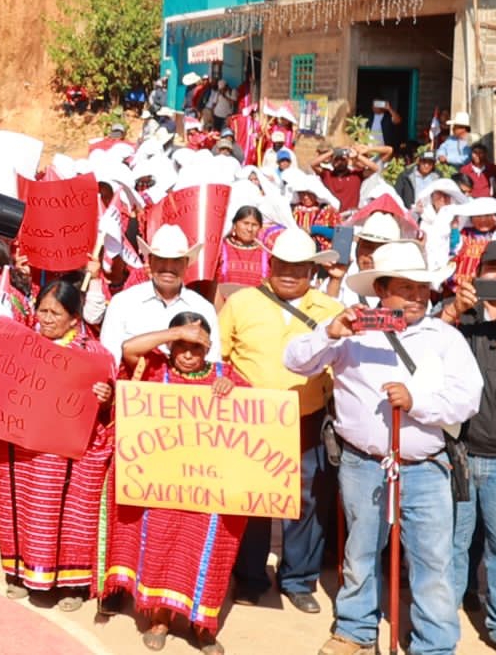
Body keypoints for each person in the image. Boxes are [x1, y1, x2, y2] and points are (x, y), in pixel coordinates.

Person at [284, 241, 483, 655]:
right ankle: (355, 631)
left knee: (433, 560)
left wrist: (417, 403)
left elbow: (467, 399)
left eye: (422, 288)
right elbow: (294, 360)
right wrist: (329, 332)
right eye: (405, 288)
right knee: (361, 550)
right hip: (363, 464)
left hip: (426, 466)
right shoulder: (352, 330)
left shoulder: (444, 337)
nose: (416, 296)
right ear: (381, 289)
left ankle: (435, 644)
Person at [104, 312, 245, 655]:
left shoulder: (227, 377)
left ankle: (203, 625)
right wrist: (175, 331)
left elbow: (257, 421)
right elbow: (128, 348)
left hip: (209, 490)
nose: (187, 353)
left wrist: (234, 394)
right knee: (162, 548)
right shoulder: (156, 371)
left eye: (196, 346)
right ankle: (161, 618)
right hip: (165, 488)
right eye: (180, 345)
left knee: (208, 556)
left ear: (209, 348)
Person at [0, 280, 113, 610]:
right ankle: (20, 574)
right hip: (23, 451)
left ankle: (70, 583)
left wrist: (104, 400)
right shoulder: (20, 344)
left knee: (68, 514)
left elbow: (109, 410)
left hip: (69, 459)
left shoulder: (94, 356)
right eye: (42, 311)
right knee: (21, 508)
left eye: (56, 313)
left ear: (75, 319)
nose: (46, 319)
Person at [220, 230, 342, 612]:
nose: (289, 273)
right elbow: (219, 355)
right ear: (269, 264)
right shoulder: (240, 303)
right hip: (251, 420)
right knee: (254, 497)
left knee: (306, 499)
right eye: (282, 265)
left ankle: (298, 579)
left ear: (312, 270)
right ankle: (251, 575)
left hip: (306, 418)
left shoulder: (330, 309)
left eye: (298, 267)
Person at [444, 239, 496, 648]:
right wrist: (454, 309)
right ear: (478, 275)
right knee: (452, 545)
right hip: (462, 453)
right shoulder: (462, 317)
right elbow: (421, 340)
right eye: (493, 271)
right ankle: (439, 624)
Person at [99, 225, 223, 365]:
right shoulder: (123, 303)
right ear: (150, 261)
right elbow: (109, 361)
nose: (168, 268)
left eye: (176, 261)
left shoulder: (203, 308)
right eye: (161, 259)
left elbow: (213, 365)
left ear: (186, 263)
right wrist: (177, 333)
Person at [216, 205, 269, 290]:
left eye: (254, 225)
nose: (249, 229)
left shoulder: (266, 253)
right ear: (235, 224)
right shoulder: (220, 249)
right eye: (245, 223)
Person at [313, 146, 377, 213]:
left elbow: (374, 168)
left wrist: (357, 156)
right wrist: (332, 152)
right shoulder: (327, 175)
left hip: (351, 216)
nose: (339, 162)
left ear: (347, 161)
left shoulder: (356, 175)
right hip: (332, 216)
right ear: (331, 162)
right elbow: (313, 164)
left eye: (342, 159)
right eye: (336, 160)